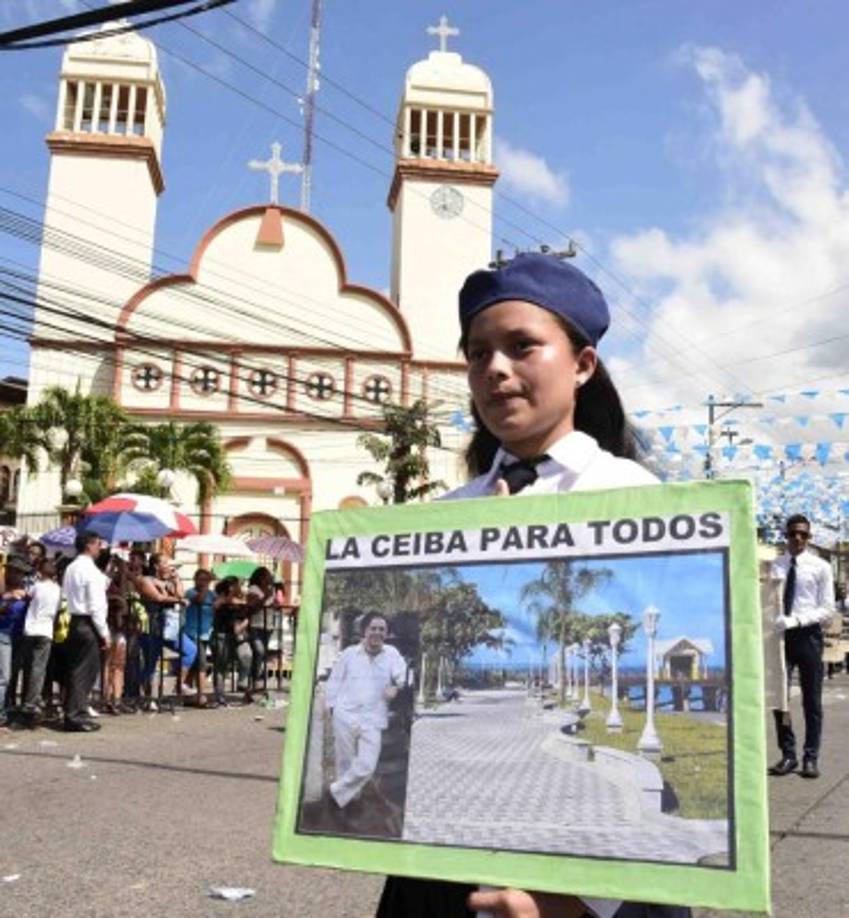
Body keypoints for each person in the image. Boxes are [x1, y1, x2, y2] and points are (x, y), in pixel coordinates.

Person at [376, 253, 687, 918]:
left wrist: (580, 899)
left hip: (598, 873)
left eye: (521, 346)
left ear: (581, 365)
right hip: (440, 857)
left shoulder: (643, 503)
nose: (493, 369)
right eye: (476, 352)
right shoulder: (441, 519)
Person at [768, 513, 834, 779]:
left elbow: (827, 609)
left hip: (808, 636)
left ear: (809, 537)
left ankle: (810, 756)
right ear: (786, 535)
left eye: (803, 534)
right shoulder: (776, 565)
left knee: (812, 701)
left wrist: (796, 619)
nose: (798, 538)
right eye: (793, 533)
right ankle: (788, 754)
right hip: (781, 637)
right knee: (780, 699)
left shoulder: (820, 567)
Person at [325, 612, 406, 811]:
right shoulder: (349, 654)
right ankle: (349, 804)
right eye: (373, 629)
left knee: (367, 764)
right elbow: (334, 681)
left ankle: (336, 792)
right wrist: (332, 707)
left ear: (386, 633)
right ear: (365, 631)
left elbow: (402, 676)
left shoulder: (392, 654)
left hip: (373, 717)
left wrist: (396, 687)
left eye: (381, 629)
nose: (377, 633)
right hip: (345, 714)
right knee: (345, 761)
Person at [62, 531, 110, 732]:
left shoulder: (72, 567)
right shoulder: (89, 570)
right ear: (89, 545)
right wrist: (104, 632)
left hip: (74, 620)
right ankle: (76, 715)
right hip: (87, 622)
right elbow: (95, 604)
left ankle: (75, 711)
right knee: (85, 671)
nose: (100, 548)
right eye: (98, 544)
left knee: (77, 669)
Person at [21, 558, 62, 725]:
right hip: (45, 631)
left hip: (30, 629)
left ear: (41, 572)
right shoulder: (58, 590)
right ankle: (32, 701)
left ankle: (30, 700)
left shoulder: (36, 587)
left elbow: (26, 597)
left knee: (29, 667)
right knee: (39, 668)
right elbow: (58, 610)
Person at [0, 564, 29, 728]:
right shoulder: (4, 592)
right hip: (3, 635)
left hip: (19, 638)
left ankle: (8, 706)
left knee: (10, 676)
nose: (20, 576)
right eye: (17, 572)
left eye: (22, 573)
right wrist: (9, 598)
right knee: (4, 677)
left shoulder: (25, 592)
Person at [184, 568, 215, 706]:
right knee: (201, 663)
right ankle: (201, 695)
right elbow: (199, 599)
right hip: (192, 632)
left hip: (205, 633)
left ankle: (188, 692)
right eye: (200, 579)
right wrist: (205, 587)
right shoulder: (191, 592)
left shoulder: (212, 594)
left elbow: (218, 605)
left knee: (196, 665)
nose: (202, 582)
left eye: (205, 579)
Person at [245, 566, 275, 699]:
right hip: (256, 625)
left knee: (262, 655)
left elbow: (272, 604)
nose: (270, 577)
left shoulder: (271, 590)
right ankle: (254, 682)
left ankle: (258, 684)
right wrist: (265, 598)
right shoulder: (253, 589)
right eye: (268, 575)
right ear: (261, 577)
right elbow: (253, 606)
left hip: (268, 625)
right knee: (259, 651)